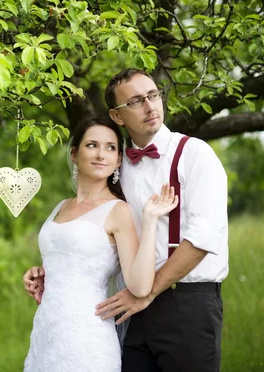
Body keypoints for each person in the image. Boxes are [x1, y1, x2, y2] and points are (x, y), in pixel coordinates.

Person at [24, 68, 228, 372]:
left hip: (186, 304)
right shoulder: (114, 166)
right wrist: (57, 272)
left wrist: (147, 293)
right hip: (127, 311)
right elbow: (97, 236)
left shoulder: (195, 154)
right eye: (135, 101)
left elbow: (205, 235)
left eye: (153, 95)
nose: (150, 106)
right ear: (117, 116)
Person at [23, 116, 178, 372]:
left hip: (87, 337)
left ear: (118, 160)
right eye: (92, 145)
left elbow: (139, 287)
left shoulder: (118, 211)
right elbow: (68, 261)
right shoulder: (60, 207)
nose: (101, 154)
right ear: (74, 154)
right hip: (46, 333)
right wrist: (39, 274)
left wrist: (149, 220)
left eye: (110, 148)